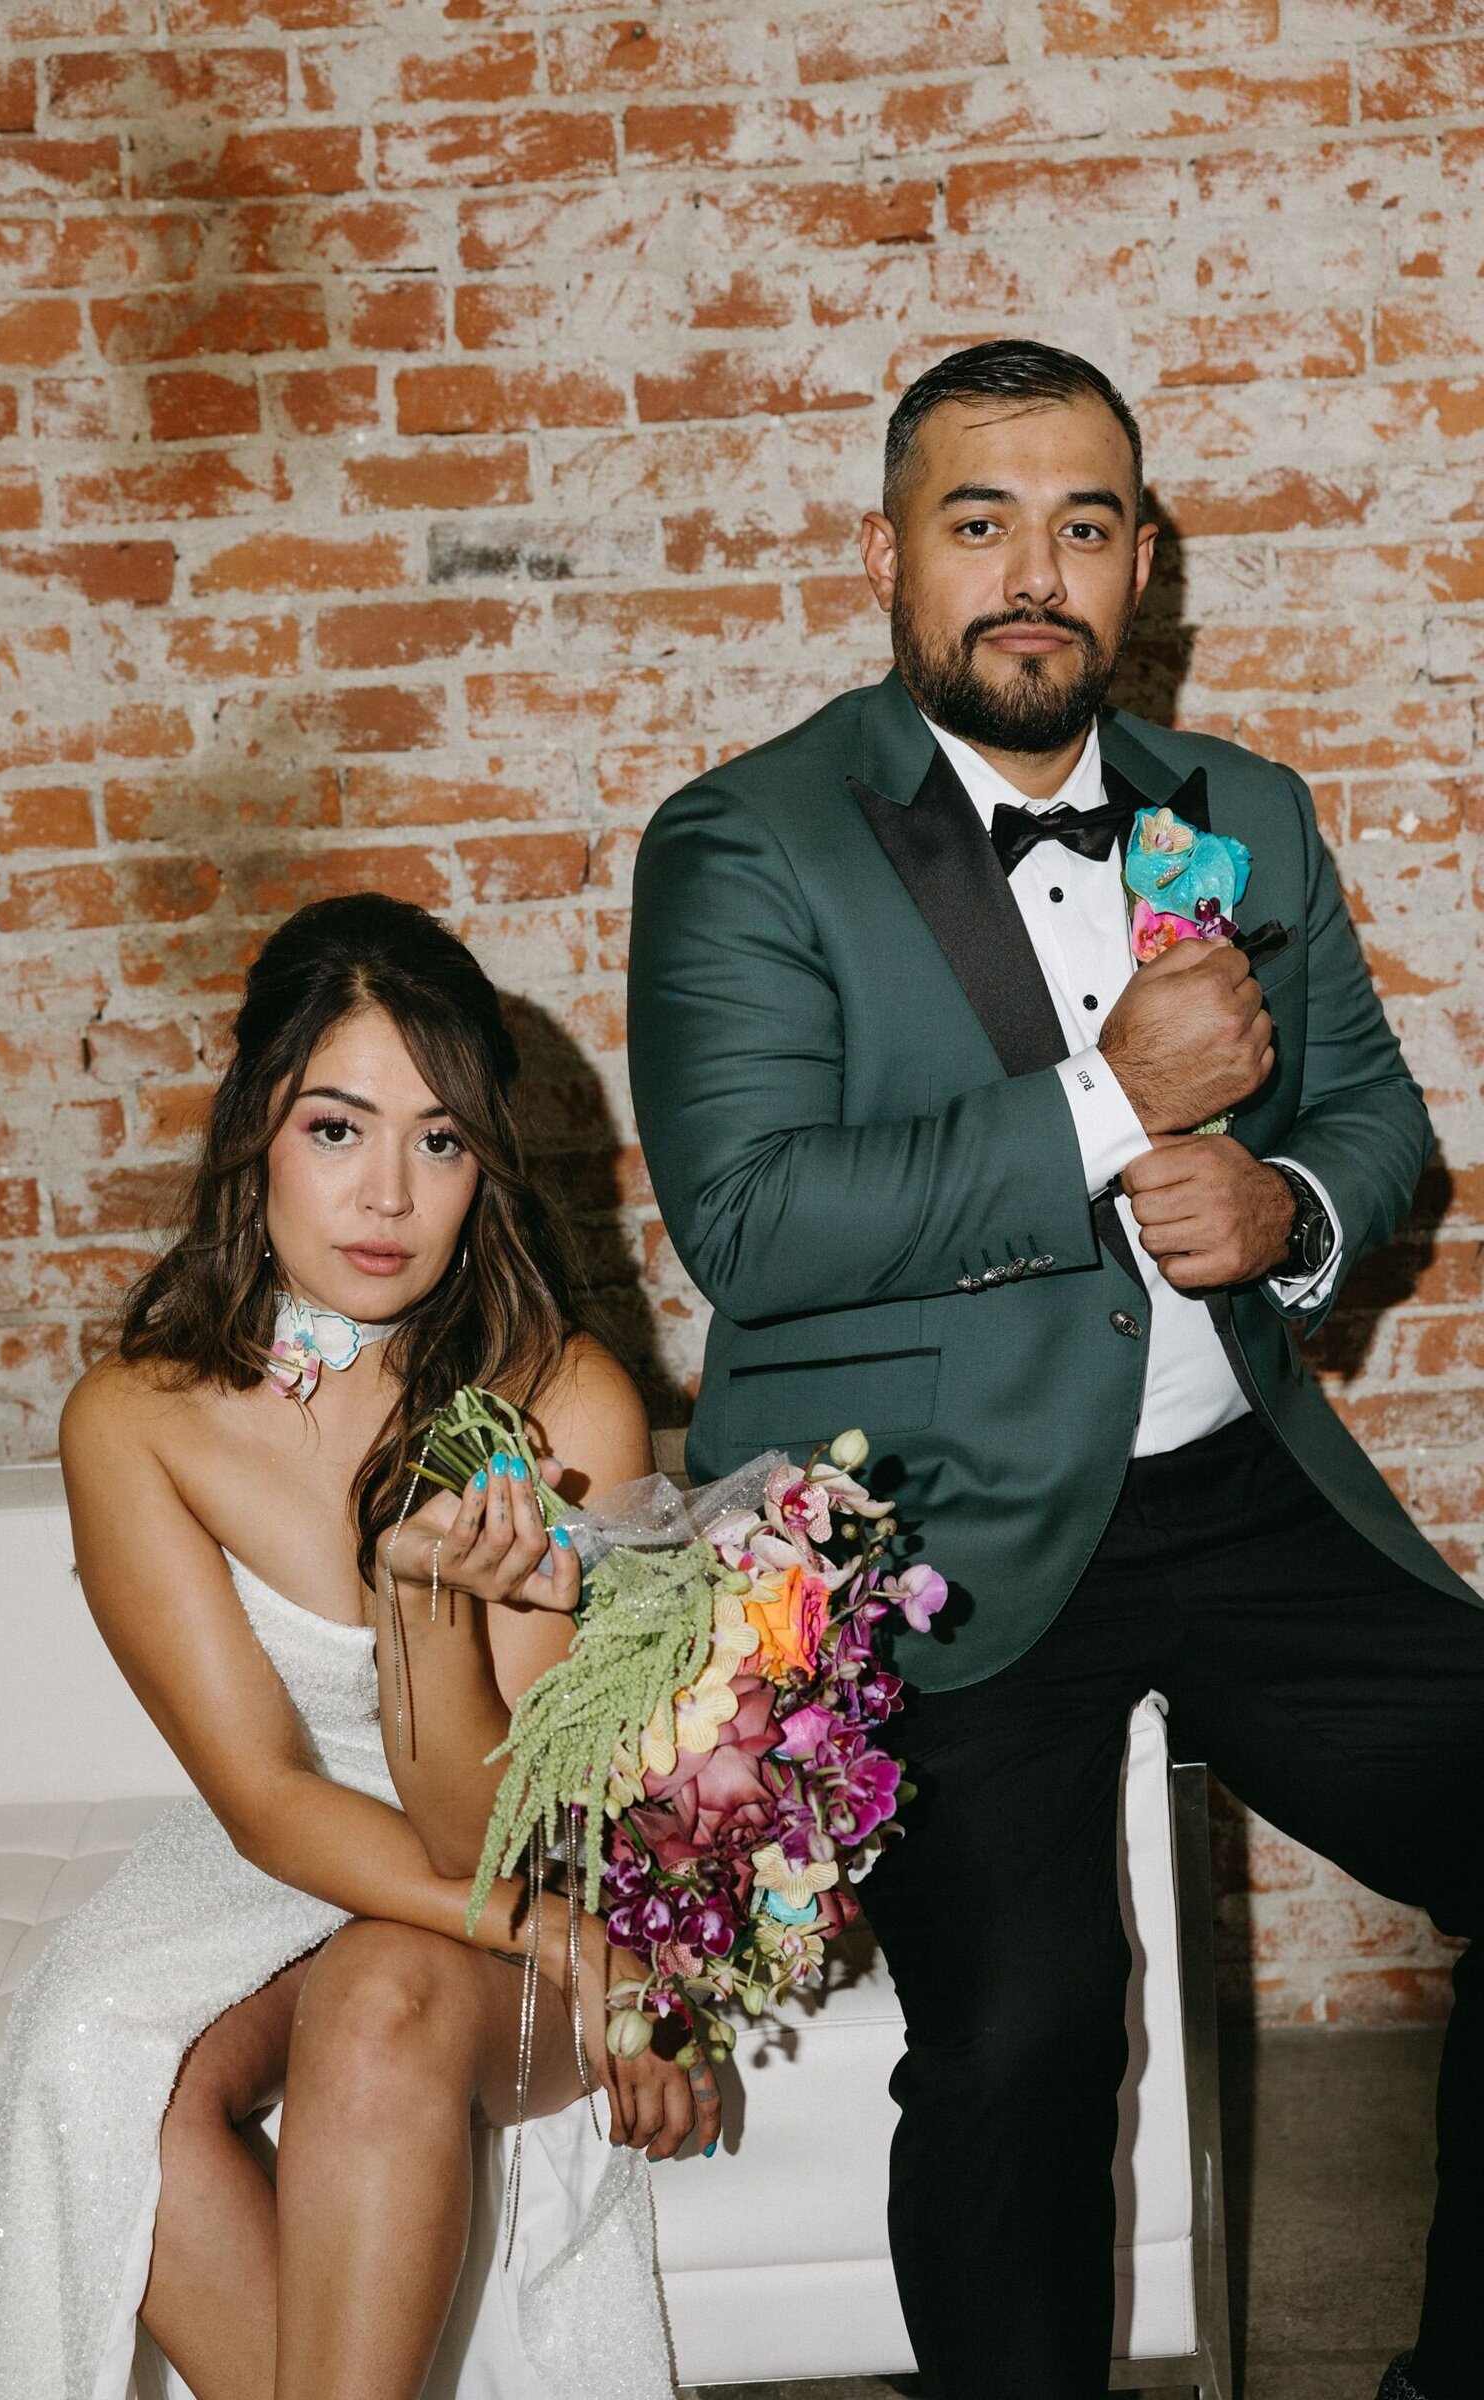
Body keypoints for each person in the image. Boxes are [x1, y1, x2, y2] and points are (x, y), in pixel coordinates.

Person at [627, 338, 1482, 2400]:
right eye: (977, 521)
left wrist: (1285, 1210)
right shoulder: (745, 842)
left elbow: (1376, 1127)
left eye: (1080, 525)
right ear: (884, 554)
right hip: (926, 1537)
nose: (1033, 571)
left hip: (1231, 1495)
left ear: (1139, 560)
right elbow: (748, 1217)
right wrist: (1103, 1107)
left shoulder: (1245, 815)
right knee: (1021, 2034)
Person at [0, 891, 715, 2400]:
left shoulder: (563, 1403)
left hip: (506, 1851)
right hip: (282, 1848)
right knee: (95, 2053)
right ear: (255, 1127)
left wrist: (423, 1616)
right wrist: (545, 1935)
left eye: (439, 1141)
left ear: (482, 1168)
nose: (386, 1194)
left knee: (379, 1999)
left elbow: (502, 1828)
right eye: (337, 1128)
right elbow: (261, 1795)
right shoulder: (135, 1421)